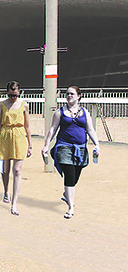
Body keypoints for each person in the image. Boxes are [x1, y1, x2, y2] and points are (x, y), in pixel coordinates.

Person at [50, 88, 100, 219]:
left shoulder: (85, 112)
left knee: (76, 175)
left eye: (72, 94)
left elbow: (90, 129)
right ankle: (71, 207)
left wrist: (97, 144)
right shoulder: (59, 112)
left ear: (79, 96)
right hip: (64, 147)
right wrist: (46, 145)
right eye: (67, 94)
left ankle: (67, 195)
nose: (69, 96)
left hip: (80, 148)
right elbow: (53, 129)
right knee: (70, 175)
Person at [0, 85, 31, 214]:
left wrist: (30, 144)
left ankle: (14, 204)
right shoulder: (2, 105)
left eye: (15, 95)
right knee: (5, 170)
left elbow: (27, 125)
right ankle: (6, 190)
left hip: (19, 136)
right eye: (10, 95)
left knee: (17, 170)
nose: (12, 98)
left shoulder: (24, 105)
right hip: (5, 136)